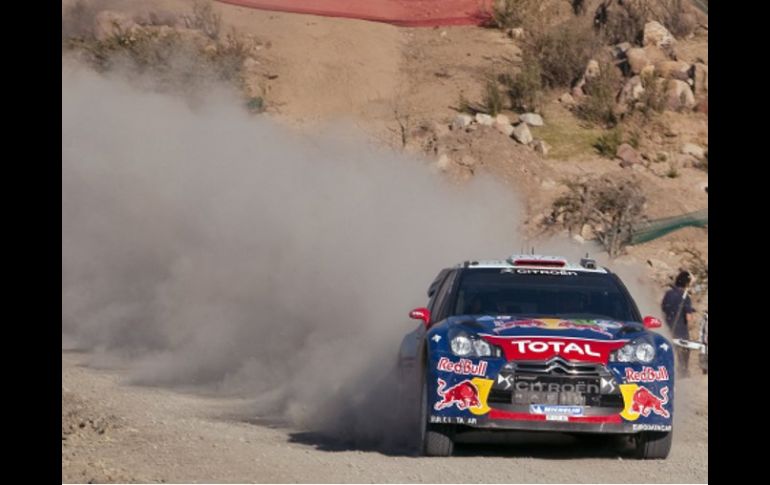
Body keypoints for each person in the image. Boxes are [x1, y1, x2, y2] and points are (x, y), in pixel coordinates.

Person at [661, 270, 696, 378]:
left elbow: (663, 309)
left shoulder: (668, 293)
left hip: (668, 328)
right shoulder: (685, 297)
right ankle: (683, 372)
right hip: (681, 331)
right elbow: (688, 317)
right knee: (683, 353)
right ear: (686, 283)